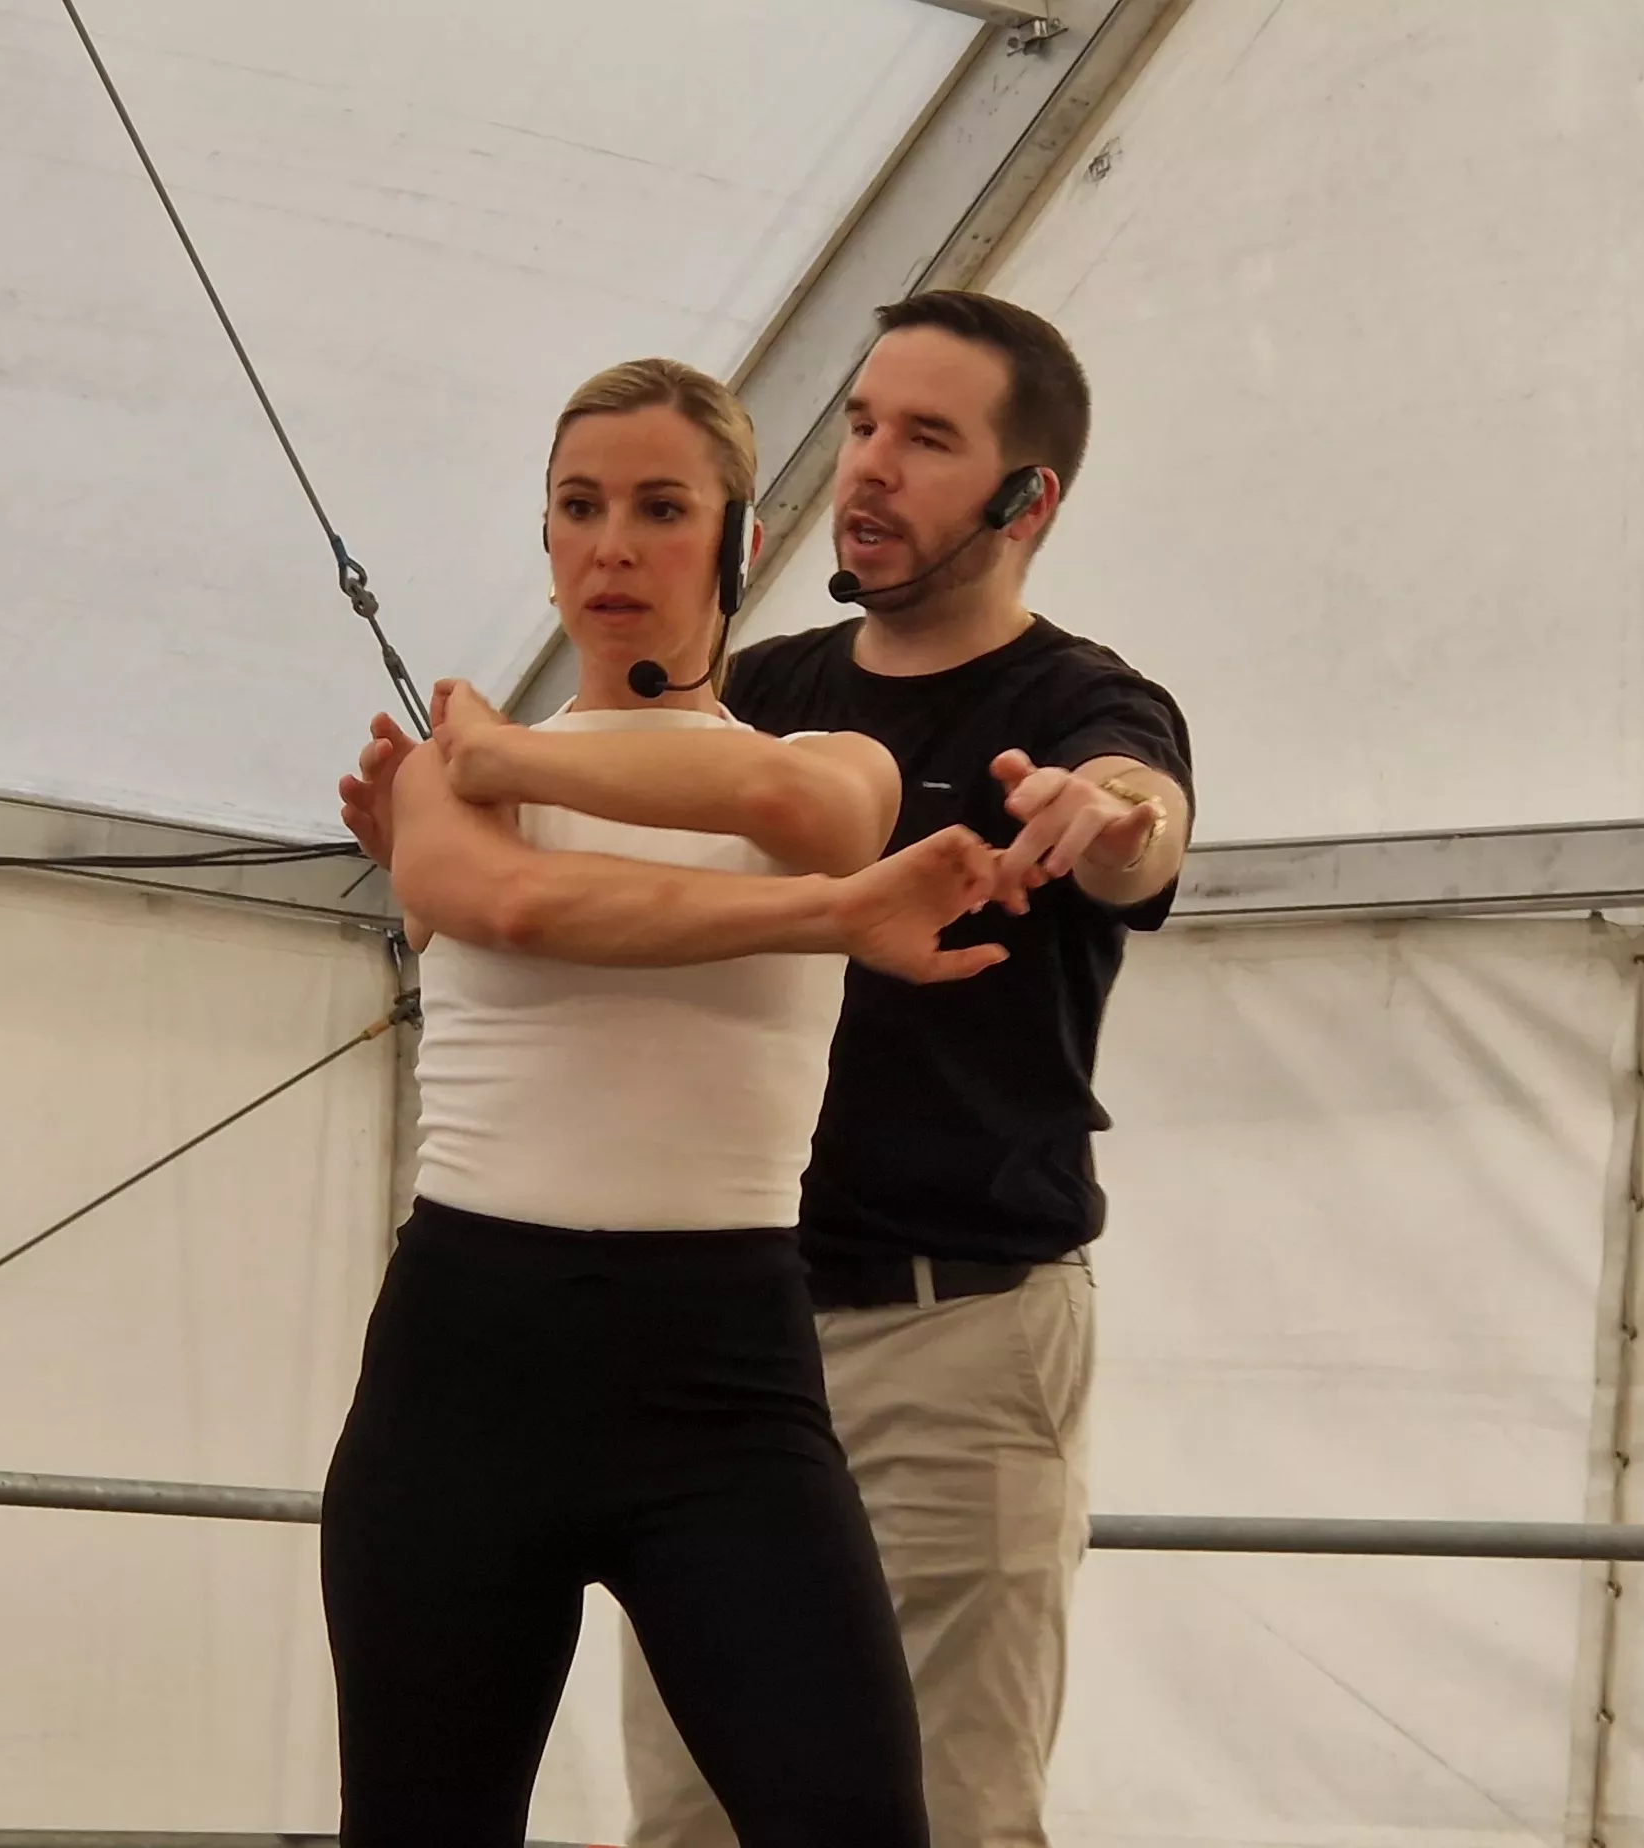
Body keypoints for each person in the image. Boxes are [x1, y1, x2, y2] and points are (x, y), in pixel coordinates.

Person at [321, 357, 1006, 1848]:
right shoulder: (457, 784)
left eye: (660, 507)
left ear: (740, 544)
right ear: (546, 539)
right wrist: (829, 920)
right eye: (580, 508)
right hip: (463, 1373)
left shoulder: (838, 763)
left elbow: (797, 817)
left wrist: (505, 752)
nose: (614, 545)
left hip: (723, 1383)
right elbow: (510, 900)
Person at [620, 290, 1192, 1848]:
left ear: (1030, 499)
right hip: (724, 1344)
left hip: (957, 1344)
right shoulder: (765, 696)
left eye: (926, 438)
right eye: (864, 421)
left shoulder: (1077, 710)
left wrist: (1113, 813)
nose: (867, 465)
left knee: (943, 1818)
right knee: (688, 1818)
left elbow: (1140, 817)